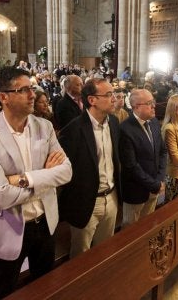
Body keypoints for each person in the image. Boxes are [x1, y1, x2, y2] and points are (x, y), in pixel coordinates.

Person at [0, 67, 71, 300]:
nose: (32, 95)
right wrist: (46, 178)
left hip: (45, 222)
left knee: (45, 286)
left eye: (32, 88)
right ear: (3, 97)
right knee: (3, 290)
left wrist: (25, 179)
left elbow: (66, 172)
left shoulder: (43, 126)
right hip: (8, 227)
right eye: (23, 90)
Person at [58, 78, 120, 258]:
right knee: (81, 255)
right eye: (108, 95)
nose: (114, 98)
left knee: (106, 249)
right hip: (87, 202)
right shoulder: (73, 130)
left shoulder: (114, 123)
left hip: (112, 197)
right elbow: (65, 171)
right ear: (92, 100)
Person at [118, 89, 166, 228]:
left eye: (153, 102)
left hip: (155, 185)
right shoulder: (125, 129)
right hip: (136, 190)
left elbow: (162, 152)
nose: (154, 106)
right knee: (130, 229)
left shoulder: (154, 122)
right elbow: (131, 166)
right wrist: (154, 184)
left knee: (148, 224)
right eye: (149, 103)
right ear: (136, 106)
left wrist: (159, 179)